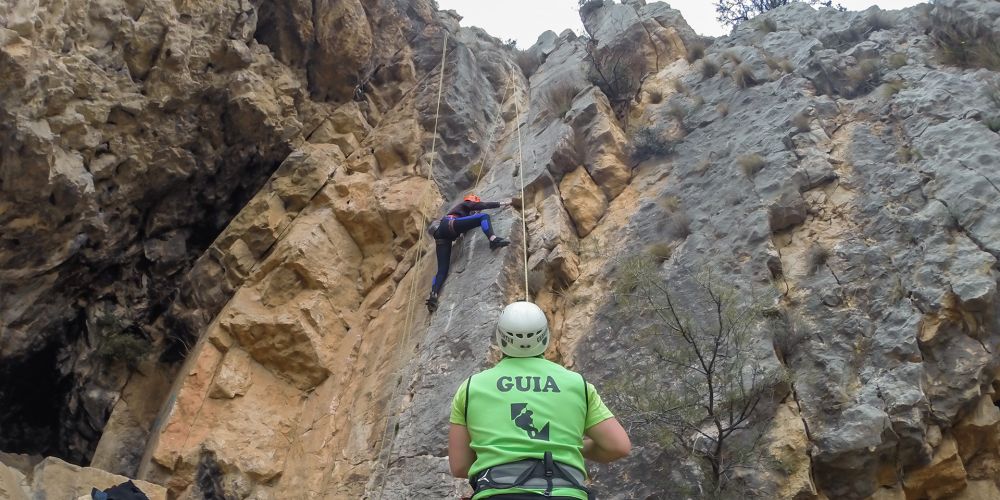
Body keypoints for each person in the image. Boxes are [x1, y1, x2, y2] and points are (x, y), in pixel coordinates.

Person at [448, 302, 631, 499]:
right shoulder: (576, 384)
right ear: (545, 336)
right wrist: (573, 446)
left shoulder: (471, 387)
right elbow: (618, 446)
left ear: (501, 337)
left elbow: (460, 466)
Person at [426, 194, 512, 312]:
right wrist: (504, 203)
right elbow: (484, 205)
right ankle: (493, 239)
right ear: (473, 201)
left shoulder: (459, 211)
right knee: (484, 217)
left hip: (442, 235)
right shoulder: (466, 204)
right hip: (450, 224)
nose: (476, 209)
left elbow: (465, 223)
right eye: (475, 206)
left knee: (442, 270)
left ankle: (433, 294)